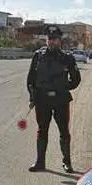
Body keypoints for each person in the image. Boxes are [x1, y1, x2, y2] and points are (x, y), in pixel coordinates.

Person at [26, 26, 81, 173]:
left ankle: (67, 162)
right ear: (47, 40)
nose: (52, 42)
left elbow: (76, 79)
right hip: (42, 101)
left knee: (64, 131)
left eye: (55, 39)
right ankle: (40, 162)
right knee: (41, 130)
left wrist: (63, 88)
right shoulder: (38, 56)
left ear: (60, 40)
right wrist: (33, 96)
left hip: (61, 101)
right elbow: (30, 79)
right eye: (50, 39)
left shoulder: (67, 58)